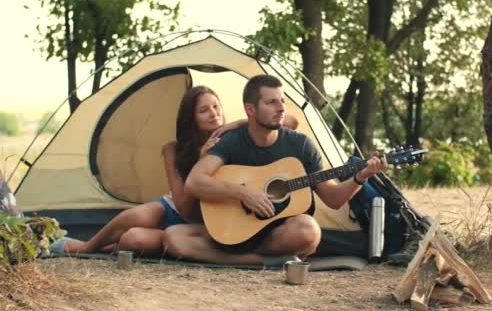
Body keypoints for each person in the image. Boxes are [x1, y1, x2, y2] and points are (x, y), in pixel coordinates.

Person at [161, 74, 387, 265]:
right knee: (173, 237)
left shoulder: (300, 145)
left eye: (282, 101)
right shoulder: (231, 141)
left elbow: (332, 198)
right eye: (271, 103)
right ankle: (262, 260)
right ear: (250, 109)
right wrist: (244, 193)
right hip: (234, 226)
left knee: (309, 231)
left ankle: (238, 257)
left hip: (277, 234)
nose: (280, 108)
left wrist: (361, 177)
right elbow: (194, 182)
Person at [51, 85, 299, 256]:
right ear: (191, 118)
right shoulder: (173, 150)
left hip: (209, 219)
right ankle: (84, 247)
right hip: (177, 209)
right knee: (136, 217)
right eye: (204, 110)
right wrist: (200, 160)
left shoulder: (235, 137)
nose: (214, 114)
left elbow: (291, 122)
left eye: (216, 107)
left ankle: (113, 248)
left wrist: (241, 121)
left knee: (132, 239)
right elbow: (182, 206)